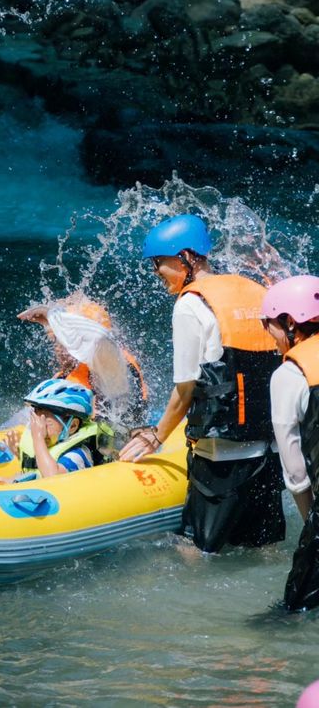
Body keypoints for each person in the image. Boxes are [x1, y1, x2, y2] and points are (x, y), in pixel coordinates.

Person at [119, 213, 285, 553]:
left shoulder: (191, 304)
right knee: (263, 551)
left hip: (220, 459)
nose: (156, 273)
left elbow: (185, 389)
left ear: (186, 258)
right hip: (270, 454)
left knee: (193, 551)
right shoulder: (256, 291)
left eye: (160, 263)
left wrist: (155, 436)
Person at [261, 275, 319, 610]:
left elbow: (295, 472)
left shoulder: (289, 374)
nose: (268, 334)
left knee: (292, 611)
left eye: (268, 323)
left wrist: (311, 522)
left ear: (289, 321)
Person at [18, 294, 148, 423]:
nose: (57, 348)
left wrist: (52, 316)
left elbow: (99, 340)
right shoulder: (63, 377)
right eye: (55, 340)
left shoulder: (114, 369)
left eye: (62, 339)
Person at [0, 377, 112, 483]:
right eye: (36, 423)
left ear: (72, 426)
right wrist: (19, 455)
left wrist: (38, 438)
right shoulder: (50, 442)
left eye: (46, 424)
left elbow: (53, 478)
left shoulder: (78, 454)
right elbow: (35, 473)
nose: (39, 429)